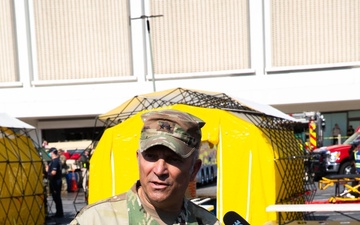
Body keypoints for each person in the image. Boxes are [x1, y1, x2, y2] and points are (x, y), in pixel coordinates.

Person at [70, 109, 220, 224]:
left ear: (194, 169)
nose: (159, 170)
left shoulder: (208, 222)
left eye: (173, 159)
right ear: (138, 159)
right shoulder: (97, 220)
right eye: (151, 156)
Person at [47, 147, 64, 217]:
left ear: (52, 153)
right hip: (55, 181)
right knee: (56, 197)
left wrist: (48, 174)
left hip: (55, 182)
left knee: (56, 197)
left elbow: (53, 172)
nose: (49, 154)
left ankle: (59, 213)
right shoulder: (54, 161)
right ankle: (59, 212)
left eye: (50, 152)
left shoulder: (55, 161)